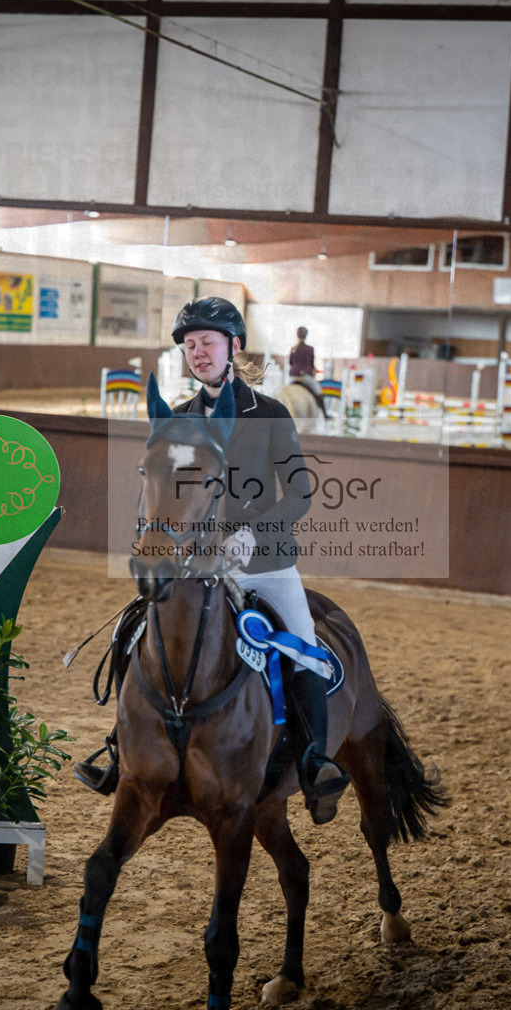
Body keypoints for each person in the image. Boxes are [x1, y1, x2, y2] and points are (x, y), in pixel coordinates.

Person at [75, 297, 349, 825]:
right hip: (195, 569)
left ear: (235, 347)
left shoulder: (269, 413)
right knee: (135, 632)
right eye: (190, 345)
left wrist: (250, 533)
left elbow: (299, 495)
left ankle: (315, 765)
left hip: (264, 563)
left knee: (305, 647)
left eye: (208, 342)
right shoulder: (177, 419)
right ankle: (120, 748)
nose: (197, 353)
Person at [288, 326, 332, 419]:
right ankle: (325, 414)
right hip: (305, 376)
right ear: (306, 335)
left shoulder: (293, 348)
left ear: (297, 335)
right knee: (318, 392)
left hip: (292, 376)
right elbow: (311, 364)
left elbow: (290, 362)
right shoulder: (310, 349)